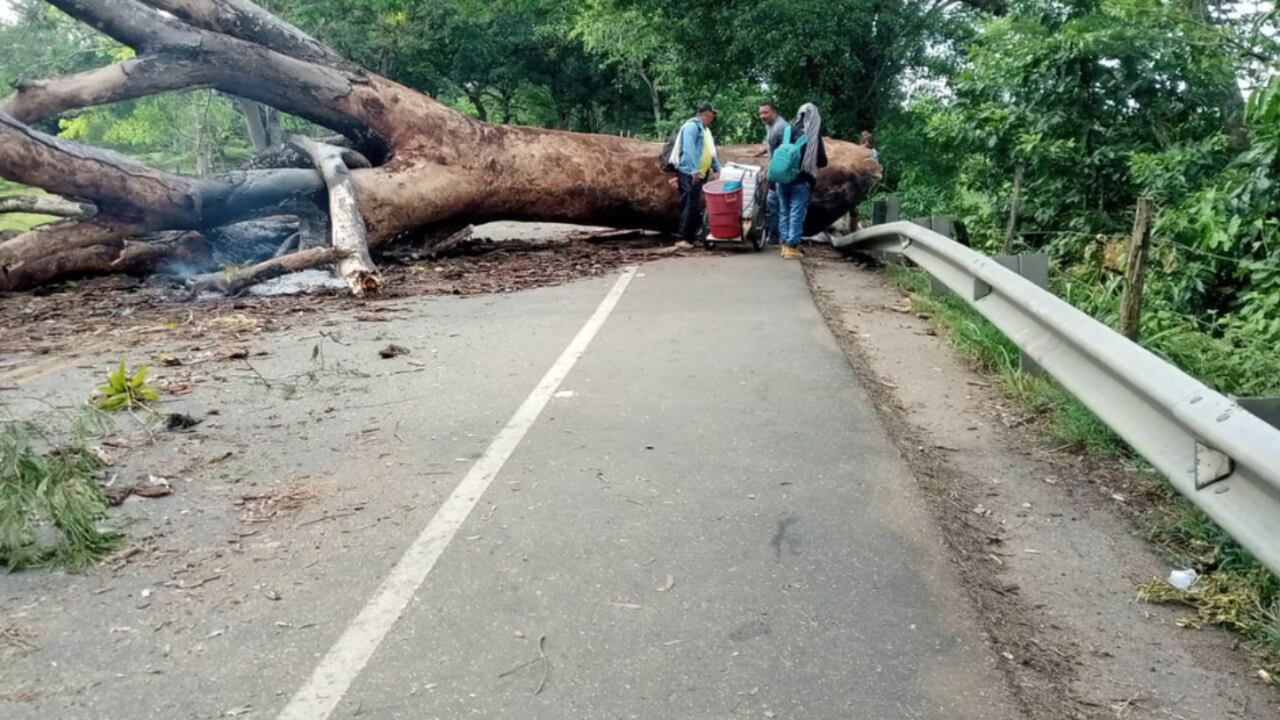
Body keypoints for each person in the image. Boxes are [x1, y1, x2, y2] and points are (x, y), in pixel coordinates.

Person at [772, 103, 827, 259]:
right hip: (801, 180)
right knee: (797, 212)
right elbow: (822, 161)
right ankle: (792, 246)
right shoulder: (813, 135)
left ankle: (784, 245)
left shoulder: (786, 131)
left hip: (782, 178)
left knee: (784, 211)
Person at [672, 101, 721, 249]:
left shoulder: (704, 130)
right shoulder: (691, 127)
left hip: (700, 173)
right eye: (712, 115)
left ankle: (690, 236)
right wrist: (694, 170)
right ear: (706, 114)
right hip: (689, 172)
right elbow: (689, 149)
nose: (712, 118)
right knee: (689, 204)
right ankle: (681, 238)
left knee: (694, 205)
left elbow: (709, 151)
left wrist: (716, 167)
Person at [756, 101, 788, 243]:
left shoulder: (780, 128)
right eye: (760, 113)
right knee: (773, 202)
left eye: (765, 112)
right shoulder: (769, 125)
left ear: (774, 112)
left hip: (782, 170)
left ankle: (776, 236)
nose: (762, 116)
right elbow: (772, 145)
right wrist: (763, 151)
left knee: (773, 202)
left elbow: (780, 154)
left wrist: (768, 170)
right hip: (777, 169)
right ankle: (776, 235)